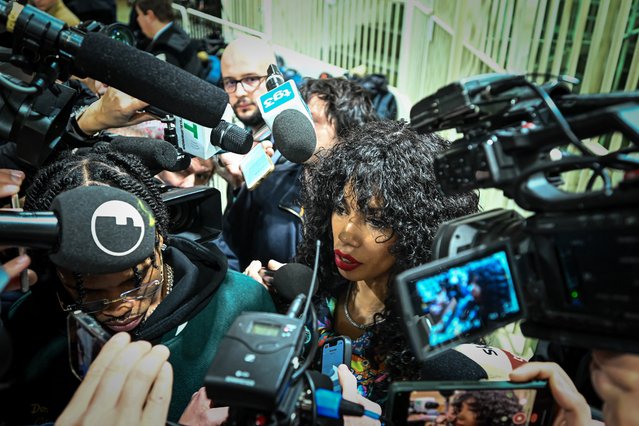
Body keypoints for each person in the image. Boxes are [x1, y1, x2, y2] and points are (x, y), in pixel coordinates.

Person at [0, 145, 275, 424]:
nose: (120, 307)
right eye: (90, 293)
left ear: (159, 238)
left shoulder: (241, 305)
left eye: (137, 282)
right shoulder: (25, 325)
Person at [248, 120, 479, 405]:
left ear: (419, 233)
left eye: (376, 219)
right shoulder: (315, 289)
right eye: (341, 208)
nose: (346, 233)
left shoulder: (437, 335)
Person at [215, 38, 378, 271]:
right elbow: (229, 247)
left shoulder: (365, 204)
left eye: (310, 119)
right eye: (230, 82)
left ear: (347, 136)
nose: (295, 126)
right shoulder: (267, 181)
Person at [134, 0, 209, 77]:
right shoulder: (178, 32)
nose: (137, 19)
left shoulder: (164, 50)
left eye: (139, 14)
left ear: (150, 15)